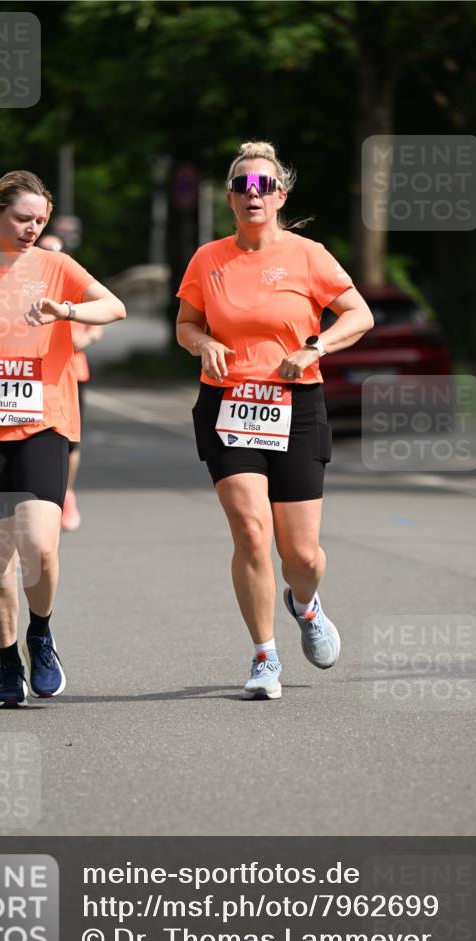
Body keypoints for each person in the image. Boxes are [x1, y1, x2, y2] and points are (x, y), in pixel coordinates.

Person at [176, 141, 374, 701]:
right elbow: (185, 325)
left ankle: (305, 604)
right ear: (230, 197)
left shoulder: (309, 256)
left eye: (264, 185)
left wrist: (316, 347)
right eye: (243, 185)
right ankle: (265, 656)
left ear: (280, 196)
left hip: (297, 408)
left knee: (302, 556)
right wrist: (203, 343)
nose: (253, 194)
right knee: (251, 531)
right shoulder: (208, 259)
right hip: (229, 404)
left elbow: (359, 314)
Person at [0, 170, 126, 707]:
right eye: (22, 218)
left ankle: (40, 632)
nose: (32, 228)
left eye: (40, 220)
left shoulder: (57, 267)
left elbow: (114, 306)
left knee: (39, 546)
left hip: (44, 423)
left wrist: (67, 310)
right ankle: (7, 662)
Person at [37, 234, 103, 531]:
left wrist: (84, 339)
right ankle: (39, 498)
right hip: (38, 375)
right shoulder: (27, 285)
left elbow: (97, 326)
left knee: (70, 441)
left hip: (74, 374)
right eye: (46, 251)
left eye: (57, 251)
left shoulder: (76, 284)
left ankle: (67, 494)